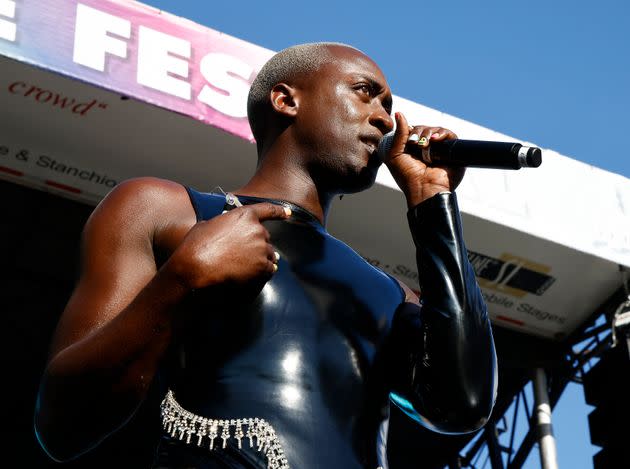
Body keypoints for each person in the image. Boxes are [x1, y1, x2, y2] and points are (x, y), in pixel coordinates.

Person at [34, 43, 497, 468]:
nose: (385, 120)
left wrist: (433, 202)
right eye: (366, 94)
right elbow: (61, 426)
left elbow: (464, 405)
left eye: (388, 107)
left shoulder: (391, 294)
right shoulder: (162, 209)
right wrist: (180, 282)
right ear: (285, 100)